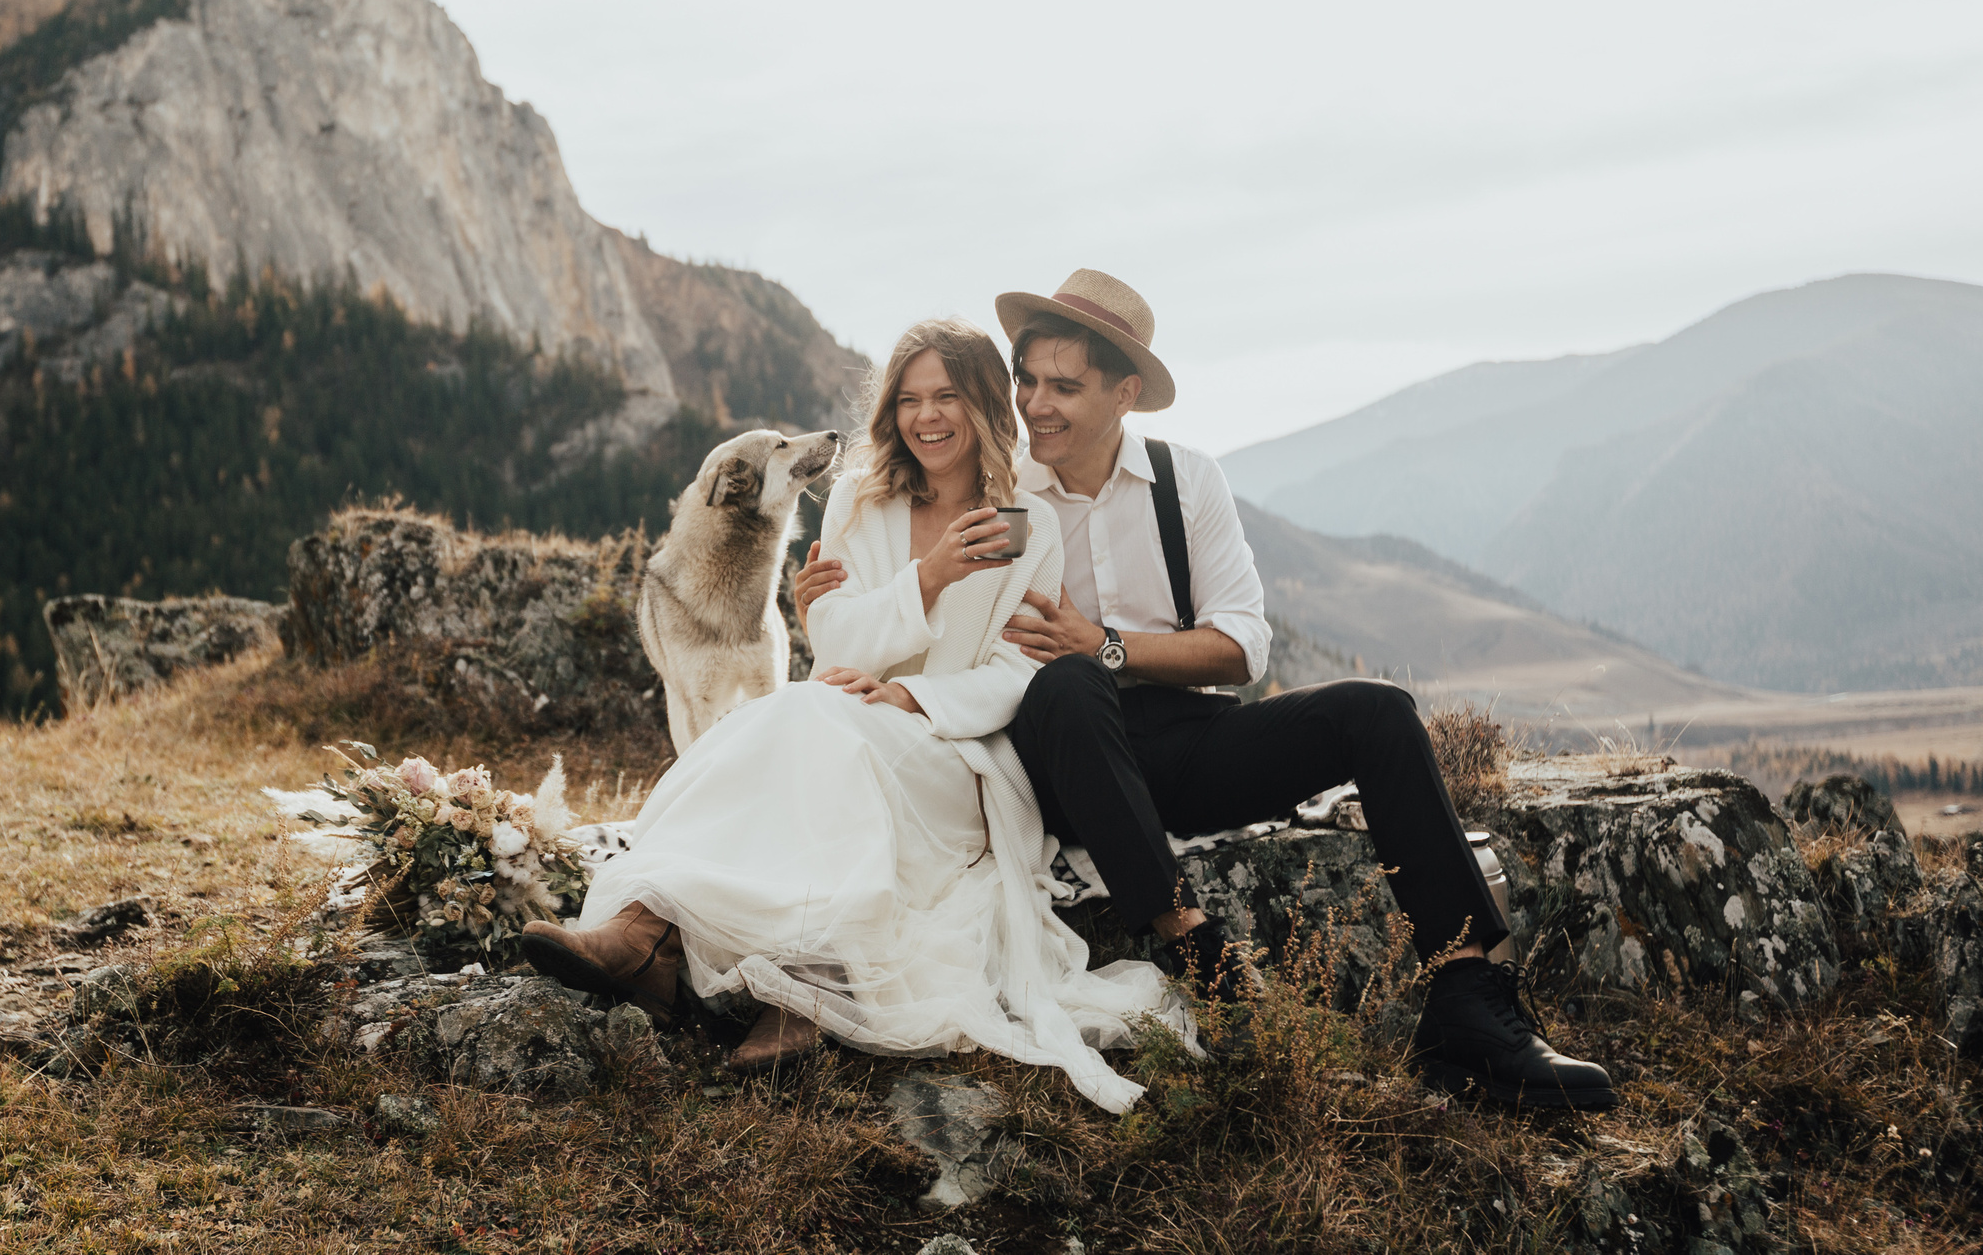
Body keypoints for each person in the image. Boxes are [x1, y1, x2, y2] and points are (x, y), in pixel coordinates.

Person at [886, 267, 1611, 1111]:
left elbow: (1242, 647)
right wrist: (845, 604)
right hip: (1062, 765)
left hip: (1189, 745)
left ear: (1125, 393)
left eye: (1063, 386)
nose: (1034, 403)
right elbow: (930, 613)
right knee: (1069, 687)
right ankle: (1191, 943)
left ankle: (1466, 1000)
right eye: (1027, 379)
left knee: (1377, 713)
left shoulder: (1185, 480)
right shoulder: (1002, 495)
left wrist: (1110, 645)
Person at [524, 319, 1187, 1110]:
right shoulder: (855, 499)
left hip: (959, 755)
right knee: (803, 717)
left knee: (812, 719)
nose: (927, 416)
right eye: (909, 399)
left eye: (946, 396)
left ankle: (751, 969)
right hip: (847, 716)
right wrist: (929, 579)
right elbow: (836, 639)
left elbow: (1021, 668)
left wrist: (915, 695)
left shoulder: (1025, 523)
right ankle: (655, 935)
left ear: (982, 404)